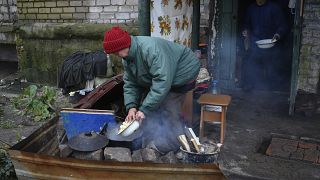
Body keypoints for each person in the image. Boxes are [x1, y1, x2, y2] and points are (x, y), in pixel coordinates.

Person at [103, 26, 200, 153]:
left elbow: (162, 82)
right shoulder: (127, 57)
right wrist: (131, 107)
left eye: (116, 52)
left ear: (123, 45)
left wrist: (144, 109)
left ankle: (174, 145)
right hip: (165, 76)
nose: (116, 55)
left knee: (169, 107)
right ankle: (151, 137)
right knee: (148, 106)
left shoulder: (151, 50)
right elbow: (131, 83)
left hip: (184, 71)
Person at [242, 0, 288, 91]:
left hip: (272, 42)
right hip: (256, 43)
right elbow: (246, 24)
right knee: (251, 64)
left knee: (272, 68)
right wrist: (245, 30)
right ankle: (250, 86)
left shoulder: (274, 8)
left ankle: (272, 90)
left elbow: (283, 25)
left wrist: (278, 34)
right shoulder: (251, 8)